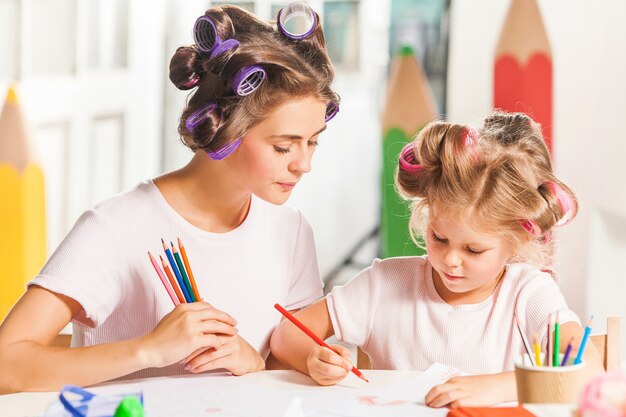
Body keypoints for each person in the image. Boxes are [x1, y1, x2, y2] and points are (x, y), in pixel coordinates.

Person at [0, 2, 339, 394]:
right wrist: (149, 350)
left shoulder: (291, 230)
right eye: (284, 147)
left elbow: (286, 356)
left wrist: (256, 364)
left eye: (313, 142)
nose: (304, 164)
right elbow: (6, 364)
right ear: (227, 129)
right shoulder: (116, 227)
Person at [270, 111, 604, 407]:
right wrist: (314, 357)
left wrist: (498, 387)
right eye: (439, 238)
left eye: (473, 250)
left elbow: (588, 370)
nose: (450, 260)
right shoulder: (384, 284)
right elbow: (288, 336)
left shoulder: (528, 293)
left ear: (516, 243)